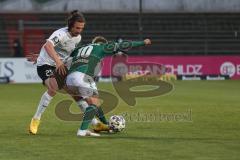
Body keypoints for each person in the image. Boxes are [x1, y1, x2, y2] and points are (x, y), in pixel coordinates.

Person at [66, 36, 151, 136]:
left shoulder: (81, 48)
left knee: (93, 102)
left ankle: (104, 124)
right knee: (94, 104)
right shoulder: (101, 47)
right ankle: (82, 131)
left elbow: (67, 60)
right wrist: (143, 42)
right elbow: (123, 45)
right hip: (83, 75)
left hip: (69, 79)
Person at [29, 10, 87, 135]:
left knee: (74, 91)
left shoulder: (78, 38)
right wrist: (56, 61)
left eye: (81, 28)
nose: (79, 30)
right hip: (45, 64)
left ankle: (92, 121)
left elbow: (64, 53)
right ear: (71, 25)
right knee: (53, 87)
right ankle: (36, 119)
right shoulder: (60, 33)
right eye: (77, 27)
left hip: (58, 65)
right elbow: (48, 46)